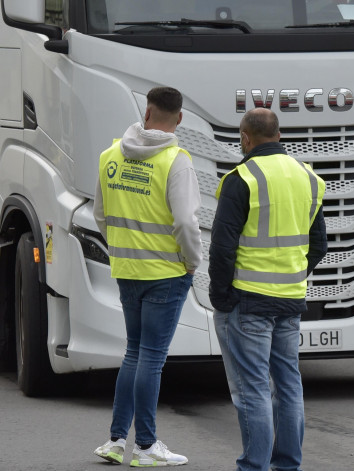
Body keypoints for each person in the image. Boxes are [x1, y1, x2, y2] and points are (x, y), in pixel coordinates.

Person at [209, 108, 327, 471]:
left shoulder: (241, 178)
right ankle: (288, 465)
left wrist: (220, 295)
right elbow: (319, 245)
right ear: (278, 135)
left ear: (245, 138)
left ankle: (254, 466)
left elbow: (222, 246)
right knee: (289, 385)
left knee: (253, 388)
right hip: (290, 301)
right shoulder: (308, 178)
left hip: (247, 302)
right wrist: (292, 276)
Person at [93, 86, 202, 467]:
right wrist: (192, 261)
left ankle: (115, 440)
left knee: (133, 353)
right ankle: (146, 445)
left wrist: (122, 250)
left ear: (147, 112)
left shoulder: (110, 156)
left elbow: (100, 217)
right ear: (180, 118)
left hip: (126, 269)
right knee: (152, 359)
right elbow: (186, 221)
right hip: (165, 273)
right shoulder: (176, 161)